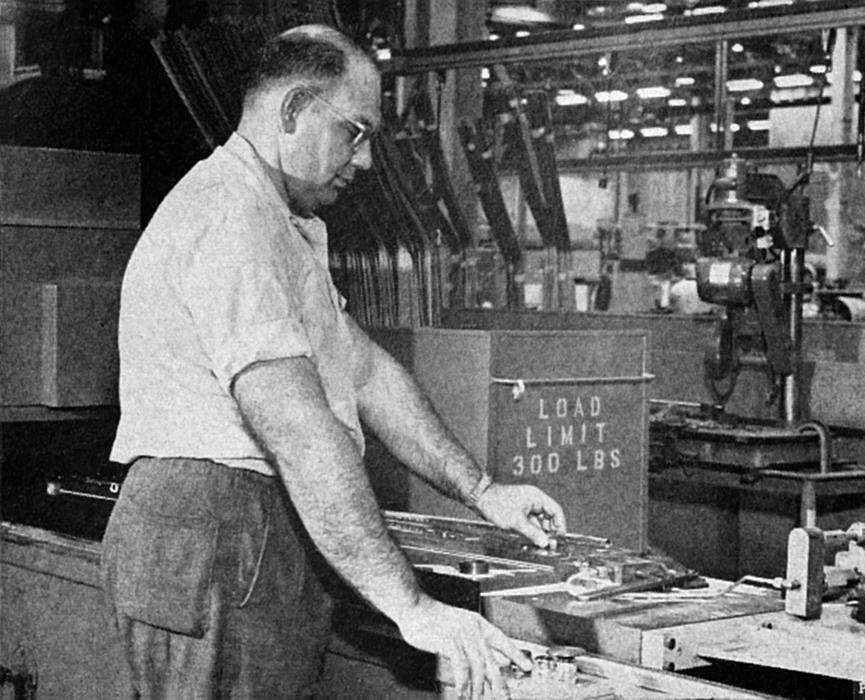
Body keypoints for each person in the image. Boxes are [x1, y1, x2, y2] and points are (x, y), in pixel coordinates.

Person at [101, 23, 567, 700]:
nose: (368, 159)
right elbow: (297, 428)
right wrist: (413, 608)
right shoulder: (230, 219)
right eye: (355, 130)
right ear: (292, 111)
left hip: (250, 533)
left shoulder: (283, 226)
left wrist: (483, 491)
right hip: (216, 529)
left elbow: (368, 373)